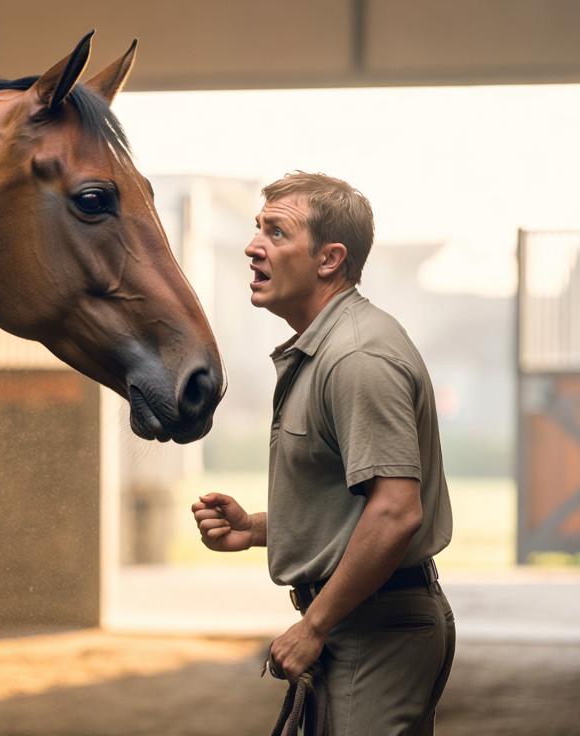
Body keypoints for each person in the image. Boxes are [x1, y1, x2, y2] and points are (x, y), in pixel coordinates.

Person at [192, 172, 455, 734]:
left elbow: (395, 512)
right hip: (362, 622)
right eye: (257, 228)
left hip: (373, 630)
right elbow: (356, 506)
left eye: (277, 233)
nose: (252, 246)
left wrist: (312, 625)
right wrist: (259, 527)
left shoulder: (357, 356)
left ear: (329, 258)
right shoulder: (328, 346)